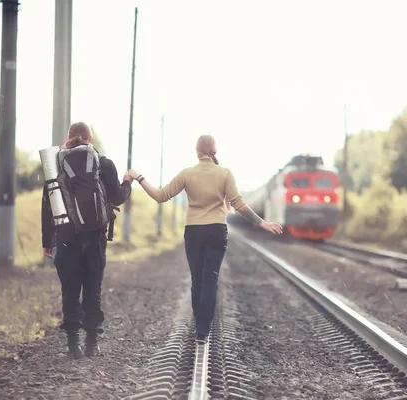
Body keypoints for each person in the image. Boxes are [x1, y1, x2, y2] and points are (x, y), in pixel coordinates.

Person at [126, 134, 282, 343]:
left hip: (194, 231)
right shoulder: (225, 174)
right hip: (217, 231)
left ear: (196, 151)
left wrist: (139, 177)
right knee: (210, 279)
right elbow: (239, 205)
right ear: (214, 151)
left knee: (197, 280)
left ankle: (199, 324)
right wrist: (262, 223)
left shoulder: (187, 174)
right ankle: (203, 330)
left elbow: (160, 196)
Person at [41, 122, 133, 359]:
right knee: (93, 289)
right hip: (95, 238)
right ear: (90, 140)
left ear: (69, 138)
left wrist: (46, 241)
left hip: (65, 239)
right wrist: (127, 182)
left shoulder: (55, 166)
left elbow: (47, 207)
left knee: (70, 289)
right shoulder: (103, 163)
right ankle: (92, 343)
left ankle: (73, 345)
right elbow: (117, 197)